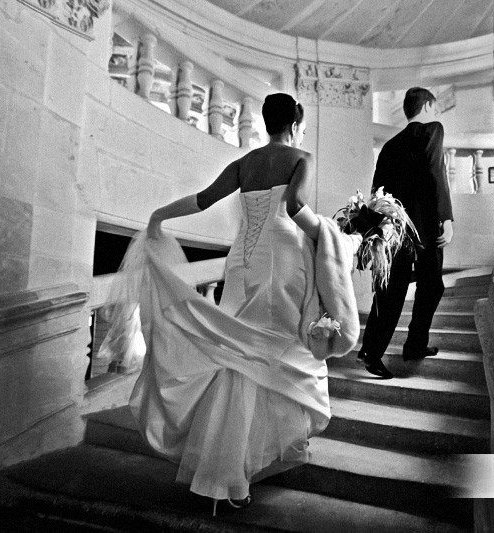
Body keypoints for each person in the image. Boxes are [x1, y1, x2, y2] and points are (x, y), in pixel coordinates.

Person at [112, 93, 359, 515]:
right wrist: (328, 235)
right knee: (278, 347)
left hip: (243, 260)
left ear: (265, 123)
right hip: (283, 256)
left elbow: (204, 198)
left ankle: (225, 467)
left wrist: (159, 216)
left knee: (238, 349)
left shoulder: (245, 163)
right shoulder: (302, 156)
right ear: (296, 123)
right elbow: (295, 206)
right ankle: (236, 470)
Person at [357, 87, 454, 379]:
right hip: (426, 226)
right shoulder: (433, 130)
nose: (436, 113)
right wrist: (446, 218)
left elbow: (378, 192)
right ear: (426, 106)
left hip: (394, 230)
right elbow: (437, 172)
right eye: (434, 107)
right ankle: (414, 344)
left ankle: (372, 352)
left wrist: (379, 231)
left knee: (391, 290)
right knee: (431, 285)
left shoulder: (389, 146)